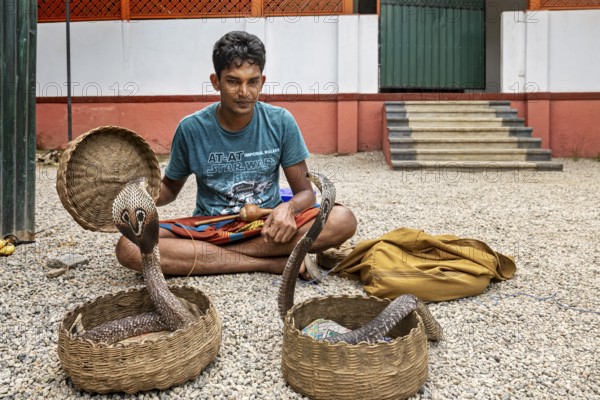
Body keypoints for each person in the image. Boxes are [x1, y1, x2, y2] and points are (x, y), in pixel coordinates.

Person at [115, 31, 357, 279]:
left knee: (342, 219)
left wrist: (288, 209)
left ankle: (217, 257)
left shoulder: (281, 122)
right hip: (207, 229)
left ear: (262, 81)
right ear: (215, 81)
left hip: (267, 229)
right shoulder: (191, 129)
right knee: (129, 247)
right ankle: (271, 264)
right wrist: (135, 194)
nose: (244, 92)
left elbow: (305, 194)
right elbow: (169, 190)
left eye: (252, 82)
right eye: (233, 81)